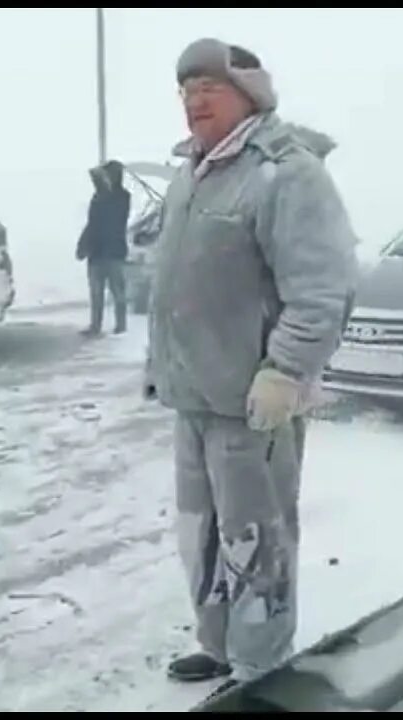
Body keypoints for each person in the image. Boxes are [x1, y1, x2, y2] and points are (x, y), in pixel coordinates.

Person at [143, 37, 359, 696]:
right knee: (201, 534)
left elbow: (323, 288)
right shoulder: (195, 171)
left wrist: (285, 370)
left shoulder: (286, 172)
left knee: (255, 538)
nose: (192, 101)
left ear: (250, 94)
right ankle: (219, 644)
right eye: (184, 91)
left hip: (253, 403)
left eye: (207, 87)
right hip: (196, 397)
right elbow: (179, 281)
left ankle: (262, 666)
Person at [75, 159, 131, 336]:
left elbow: (111, 222)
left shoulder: (121, 198)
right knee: (96, 293)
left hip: (113, 252)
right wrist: (83, 244)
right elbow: (92, 224)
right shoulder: (98, 198)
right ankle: (96, 325)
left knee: (117, 292)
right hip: (97, 252)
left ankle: (121, 326)